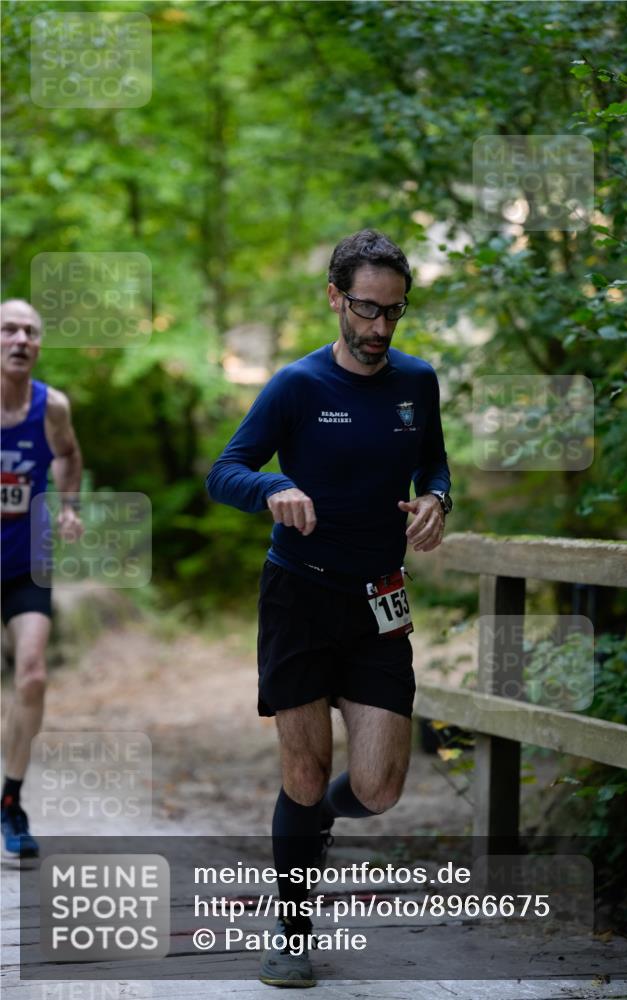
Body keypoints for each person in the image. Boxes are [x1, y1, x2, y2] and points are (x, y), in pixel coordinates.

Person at [206, 230, 452, 986]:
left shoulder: (417, 382)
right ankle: (292, 929)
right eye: (366, 310)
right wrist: (271, 488)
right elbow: (225, 471)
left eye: (394, 312)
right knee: (304, 771)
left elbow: (433, 460)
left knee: (376, 789)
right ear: (334, 299)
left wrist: (439, 497)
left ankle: (316, 823)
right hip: (300, 596)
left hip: (379, 599)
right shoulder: (297, 385)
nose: (379, 328)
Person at [1, 299, 83, 860]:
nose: (20, 339)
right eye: (9, 328)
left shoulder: (51, 406)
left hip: (28, 560)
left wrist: (70, 506)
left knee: (31, 675)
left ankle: (10, 801)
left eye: (30, 331)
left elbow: (69, 455)